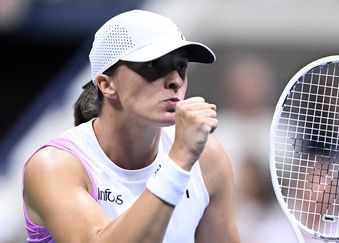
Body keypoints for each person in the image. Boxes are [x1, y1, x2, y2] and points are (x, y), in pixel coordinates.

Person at [22, 9, 240, 243]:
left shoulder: (208, 159)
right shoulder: (55, 166)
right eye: (153, 66)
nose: (175, 80)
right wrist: (179, 160)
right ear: (107, 85)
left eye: (181, 67)